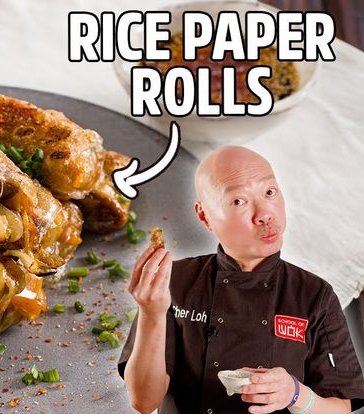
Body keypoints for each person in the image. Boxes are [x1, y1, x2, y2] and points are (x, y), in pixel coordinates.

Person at [117, 146, 364, 413]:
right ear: (205, 216)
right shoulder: (174, 282)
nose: (264, 214)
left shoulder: (315, 295)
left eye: (269, 192)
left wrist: (296, 394)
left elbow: (341, 407)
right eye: (239, 201)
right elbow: (144, 401)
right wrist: (151, 313)